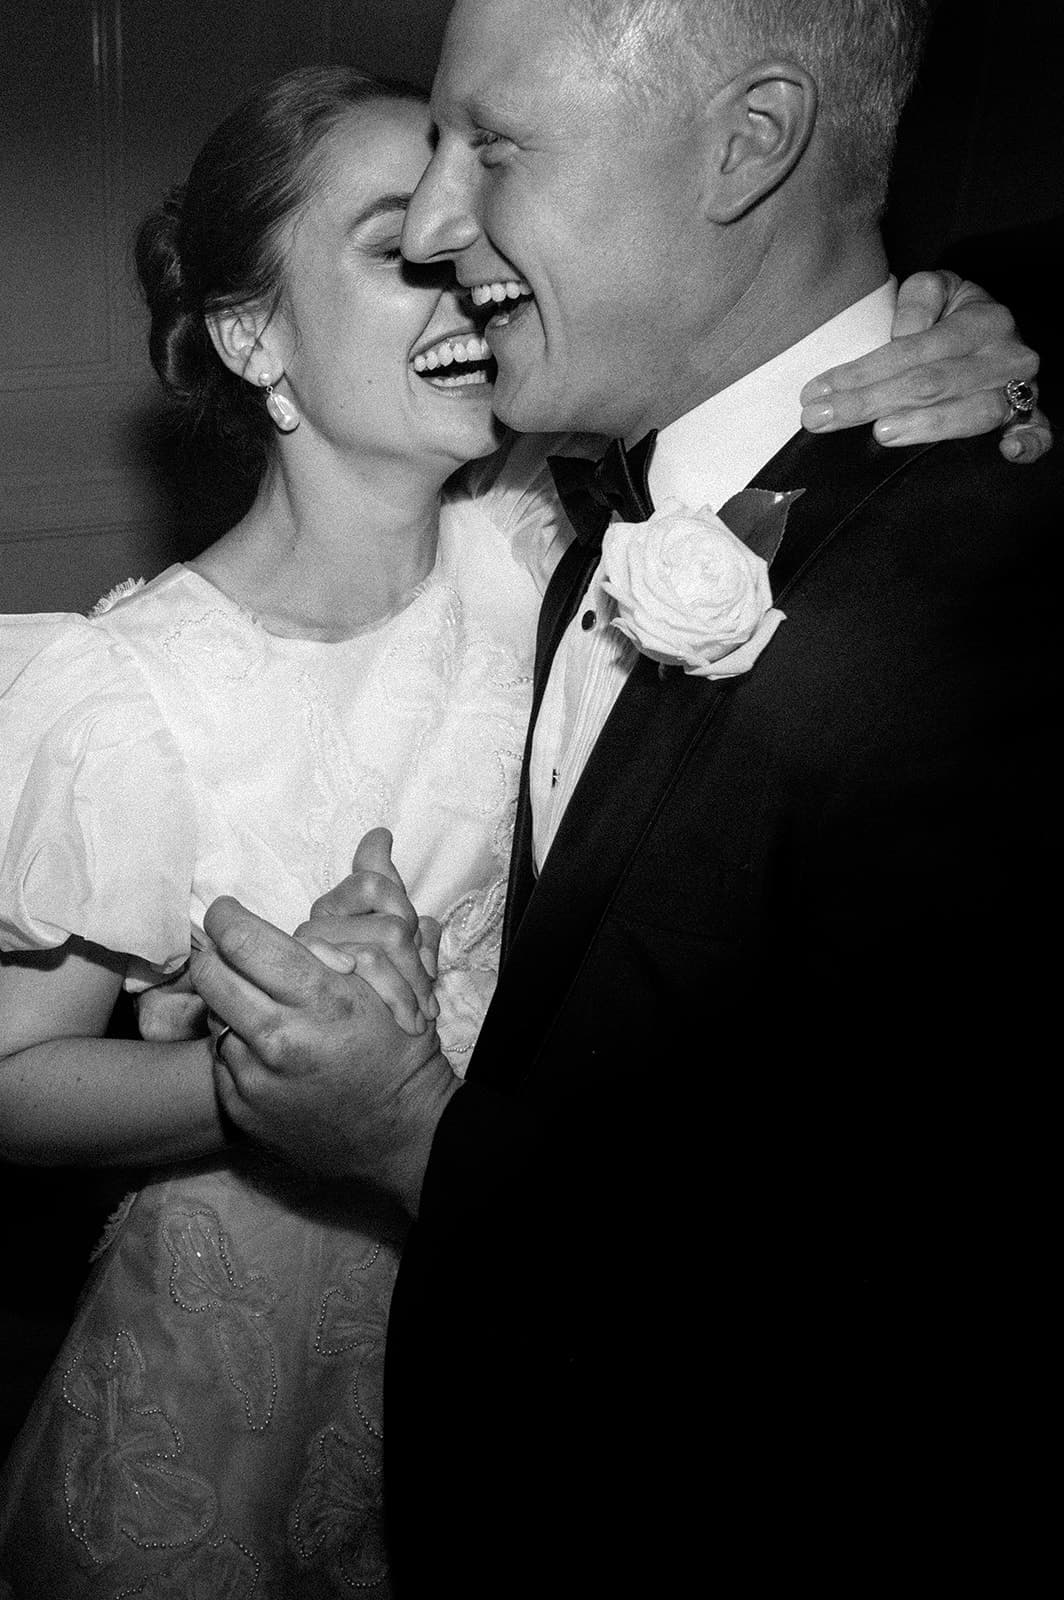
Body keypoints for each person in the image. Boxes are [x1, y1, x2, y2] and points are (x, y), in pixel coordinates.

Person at [188, 3, 1060, 1596]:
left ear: (750, 141)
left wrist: (408, 1135)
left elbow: (903, 1299)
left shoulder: (994, 611)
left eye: (495, 148)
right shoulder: (595, 517)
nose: (445, 226)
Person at [0, 66, 560, 1597]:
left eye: (481, 232)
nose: (477, 275)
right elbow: (11, 1080)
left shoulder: (540, 547)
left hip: (506, 1303)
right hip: (231, 1387)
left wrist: (946, 341)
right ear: (255, 338)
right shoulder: (129, 699)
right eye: (404, 248)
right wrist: (270, 1076)